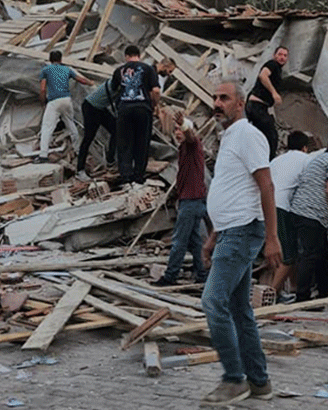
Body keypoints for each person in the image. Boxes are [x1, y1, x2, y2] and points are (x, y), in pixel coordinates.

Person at [199, 81, 281, 406]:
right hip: (230, 231)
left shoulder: (248, 135)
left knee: (212, 302)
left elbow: (267, 187)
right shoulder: (230, 137)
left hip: (243, 232)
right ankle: (259, 383)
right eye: (215, 97)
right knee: (239, 310)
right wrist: (212, 236)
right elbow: (234, 192)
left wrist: (273, 238)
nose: (217, 103)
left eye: (224, 98)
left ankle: (234, 380)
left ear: (240, 103)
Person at [290, 134, 328, 303]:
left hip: (302, 211)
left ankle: (324, 292)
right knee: (309, 256)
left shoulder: (318, 159)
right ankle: (302, 297)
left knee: (322, 253)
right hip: (311, 213)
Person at [154, 112, 208, 287]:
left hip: (191, 202)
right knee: (195, 241)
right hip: (192, 200)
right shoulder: (183, 149)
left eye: (180, 129)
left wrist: (185, 124)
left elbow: (192, 137)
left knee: (179, 240)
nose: (177, 132)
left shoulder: (193, 145)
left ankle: (170, 276)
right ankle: (202, 273)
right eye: (176, 129)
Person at [267, 131, 316, 300]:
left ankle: (289, 290)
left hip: (264, 206)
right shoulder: (306, 160)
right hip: (281, 207)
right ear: (305, 147)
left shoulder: (276, 160)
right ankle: (271, 295)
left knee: (279, 251)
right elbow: (310, 186)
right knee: (288, 256)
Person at [109, 46, 160, 185]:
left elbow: (113, 89)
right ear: (139, 55)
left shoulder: (118, 70)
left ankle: (126, 175)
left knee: (124, 142)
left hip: (124, 109)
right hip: (143, 109)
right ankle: (138, 176)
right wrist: (154, 106)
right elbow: (155, 91)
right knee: (142, 142)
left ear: (126, 56)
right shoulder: (148, 69)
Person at [39, 50, 92, 158]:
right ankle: (78, 150)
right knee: (71, 125)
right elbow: (81, 80)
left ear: (50, 59)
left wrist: (43, 101)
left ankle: (43, 155)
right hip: (67, 100)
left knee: (47, 127)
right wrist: (91, 82)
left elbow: (43, 89)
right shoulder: (67, 69)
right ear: (61, 59)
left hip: (54, 101)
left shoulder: (46, 70)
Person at [246, 46, 287, 159]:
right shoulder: (272, 64)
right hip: (256, 106)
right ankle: (269, 163)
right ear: (274, 55)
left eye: (285, 55)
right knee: (271, 137)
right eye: (280, 54)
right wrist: (274, 93)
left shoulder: (278, 69)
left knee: (261, 136)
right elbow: (263, 76)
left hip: (258, 107)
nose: (282, 57)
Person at [76, 79, 117, 177]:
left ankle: (110, 160)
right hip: (90, 107)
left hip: (101, 108)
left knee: (117, 130)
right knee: (88, 138)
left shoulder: (120, 81)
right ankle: (80, 169)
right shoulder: (117, 84)